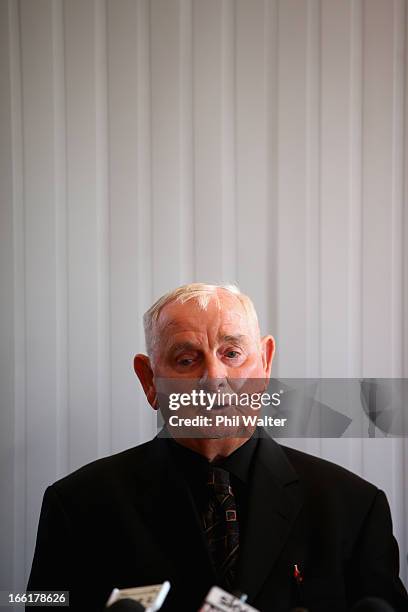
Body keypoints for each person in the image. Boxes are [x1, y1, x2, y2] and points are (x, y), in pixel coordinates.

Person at [27, 283, 408, 612]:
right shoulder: (77, 505)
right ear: (148, 379)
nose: (214, 379)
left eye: (231, 353)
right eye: (187, 359)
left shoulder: (355, 506)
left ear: (265, 363)